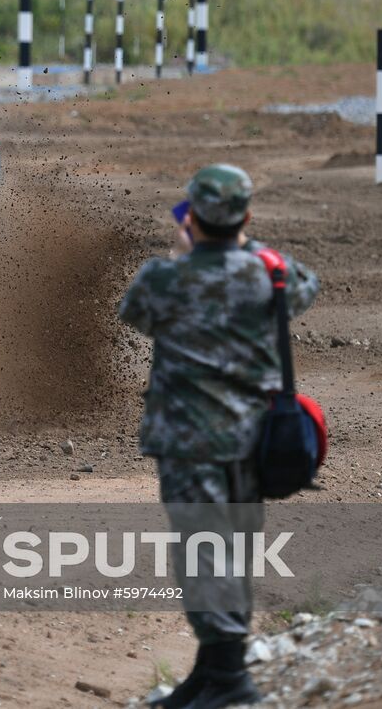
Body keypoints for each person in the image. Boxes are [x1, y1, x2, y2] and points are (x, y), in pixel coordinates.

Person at [118, 164, 320, 709]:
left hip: (190, 441)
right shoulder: (275, 274)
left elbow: (134, 315)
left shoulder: (164, 279)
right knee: (231, 548)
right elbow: (305, 291)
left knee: (204, 553)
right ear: (246, 217)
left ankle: (231, 682)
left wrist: (186, 257)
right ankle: (210, 674)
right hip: (256, 438)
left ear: (192, 216)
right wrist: (243, 248)